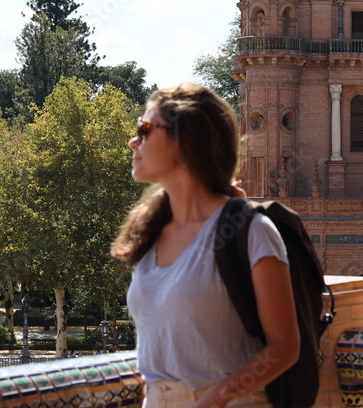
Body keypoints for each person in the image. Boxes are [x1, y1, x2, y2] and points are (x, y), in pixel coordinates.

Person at [112, 83, 299, 408]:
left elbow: (285, 346)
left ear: (187, 140)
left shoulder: (252, 231)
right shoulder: (148, 234)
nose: (133, 140)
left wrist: (219, 396)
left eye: (144, 128)